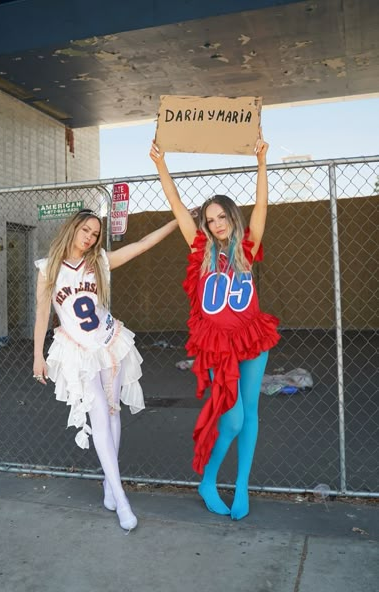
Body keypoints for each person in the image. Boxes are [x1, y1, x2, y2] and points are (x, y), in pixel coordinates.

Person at [149, 134, 280, 520]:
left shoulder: (249, 246)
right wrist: (160, 164)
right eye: (210, 220)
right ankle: (208, 480)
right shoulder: (198, 249)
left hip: (252, 336)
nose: (217, 224)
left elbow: (262, 205)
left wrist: (260, 162)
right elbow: (176, 205)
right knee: (234, 416)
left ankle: (241, 486)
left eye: (222, 216)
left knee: (252, 414)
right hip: (214, 344)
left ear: (231, 217)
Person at [33, 208, 178, 531]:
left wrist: (176, 221)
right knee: (98, 411)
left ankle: (109, 487)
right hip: (77, 351)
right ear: (72, 229)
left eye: (95, 234)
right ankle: (121, 496)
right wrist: (37, 356)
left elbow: (141, 245)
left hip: (108, 343)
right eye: (85, 230)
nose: (89, 237)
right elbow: (43, 316)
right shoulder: (49, 269)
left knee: (113, 413)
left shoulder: (99, 263)